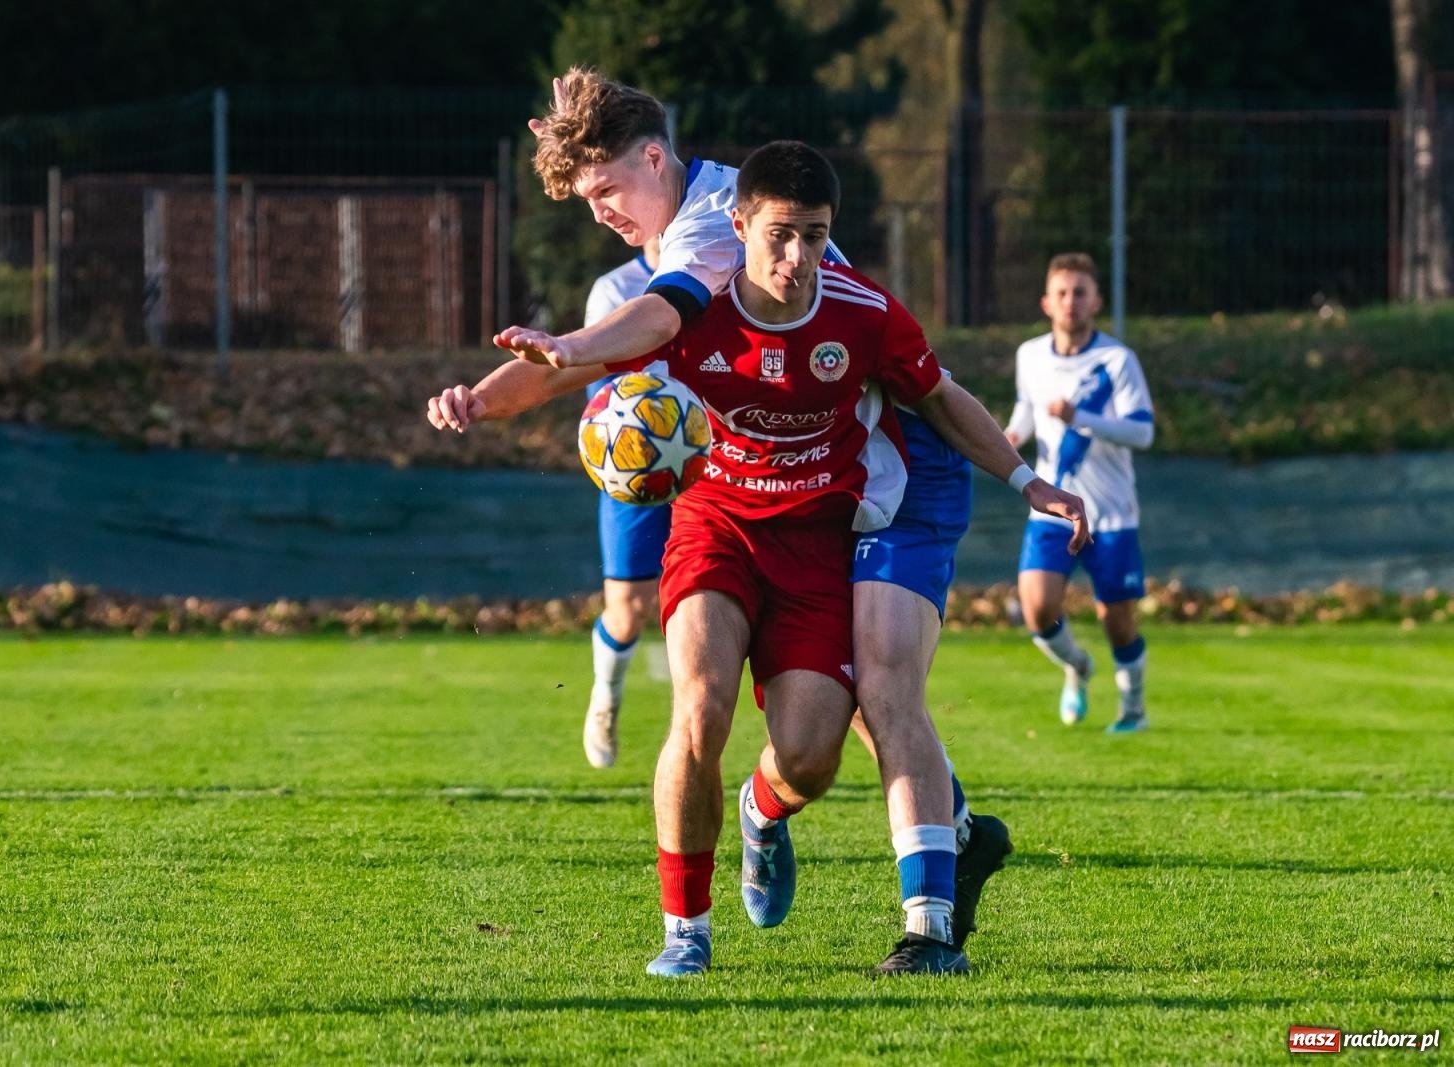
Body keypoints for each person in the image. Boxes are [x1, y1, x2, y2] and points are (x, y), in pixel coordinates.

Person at [431, 140, 1090, 976]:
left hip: (817, 542)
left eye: (815, 236)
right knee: (700, 708)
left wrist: (1030, 481)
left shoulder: (864, 314)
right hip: (717, 526)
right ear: (738, 225)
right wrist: (477, 400)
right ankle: (685, 933)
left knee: (812, 753)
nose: (798, 257)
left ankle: (760, 811)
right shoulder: (690, 312)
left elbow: (941, 399)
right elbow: (568, 370)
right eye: (780, 235)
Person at [1005, 252, 1155, 733]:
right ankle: (1078, 666)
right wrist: (1008, 437)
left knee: (1117, 619)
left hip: (1111, 513)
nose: (1071, 302)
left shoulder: (1116, 361)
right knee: (1038, 608)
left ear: (1097, 302)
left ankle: (1132, 709)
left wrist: (1081, 418)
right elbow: (1027, 411)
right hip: (1053, 507)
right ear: (1047, 302)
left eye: (1081, 293)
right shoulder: (1029, 355)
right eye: (1063, 293)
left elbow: (1142, 432)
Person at [581, 239, 666, 769]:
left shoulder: (722, 275)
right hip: (640, 471)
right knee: (630, 610)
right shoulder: (615, 289)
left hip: (715, 466)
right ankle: (606, 697)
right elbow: (601, 390)